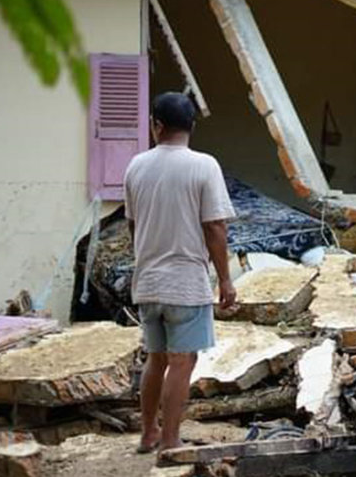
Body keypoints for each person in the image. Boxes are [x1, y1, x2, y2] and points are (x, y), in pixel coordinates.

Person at [124, 92, 238, 453]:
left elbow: (132, 225)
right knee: (182, 361)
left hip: (148, 282)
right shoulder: (204, 166)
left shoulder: (136, 166)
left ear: (156, 125)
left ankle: (148, 434)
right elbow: (215, 228)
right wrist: (225, 278)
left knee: (155, 360)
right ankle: (171, 440)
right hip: (186, 284)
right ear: (191, 126)